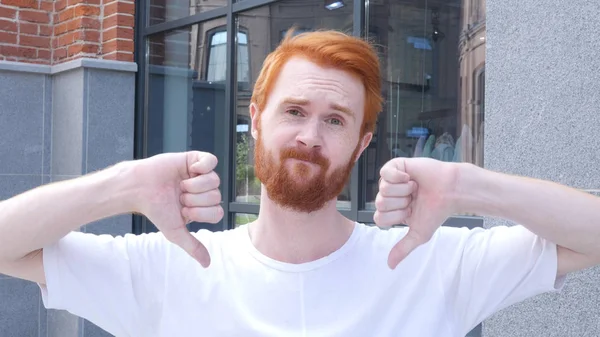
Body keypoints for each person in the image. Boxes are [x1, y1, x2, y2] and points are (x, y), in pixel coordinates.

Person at [0, 29, 599, 337]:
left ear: (362, 145)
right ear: (256, 120)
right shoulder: (171, 267)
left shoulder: (430, 265)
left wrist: (471, 187)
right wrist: (121, 185)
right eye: (293, 112)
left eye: (335, 120)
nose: (311, 134)